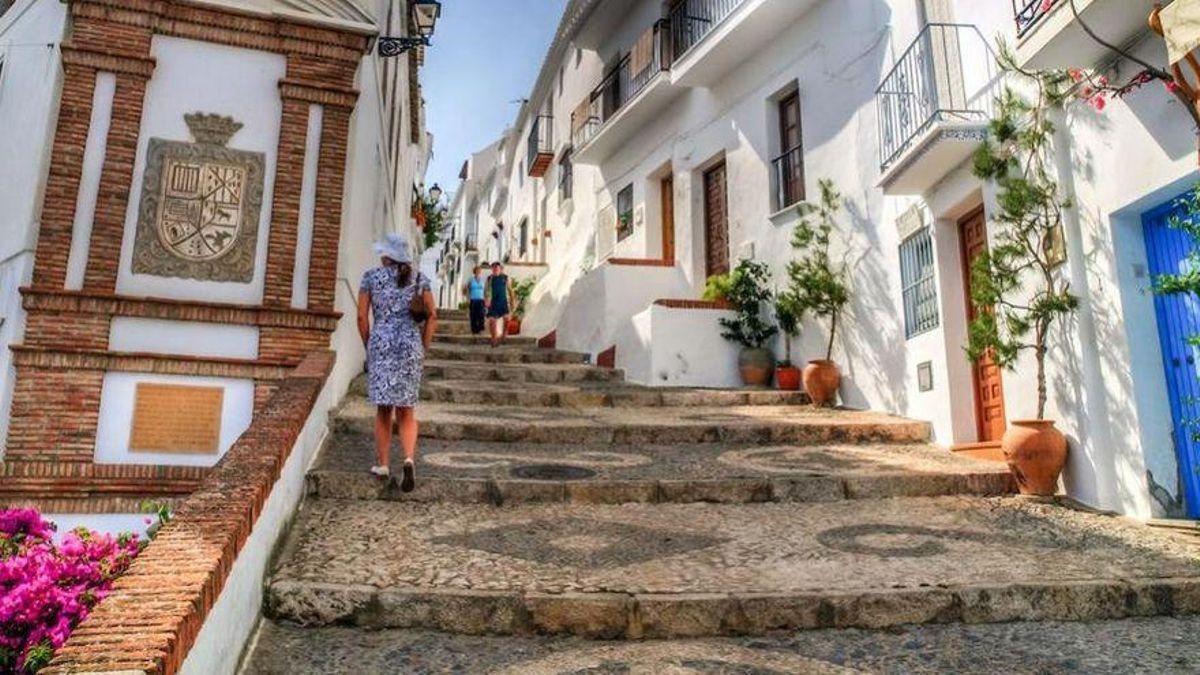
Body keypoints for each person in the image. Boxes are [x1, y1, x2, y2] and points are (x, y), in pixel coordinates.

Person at [357, 234, 437, 491]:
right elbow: (432, 316)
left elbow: (361, 317)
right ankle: (409, 458)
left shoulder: (370, 277)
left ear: (386, 255)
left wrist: (369, 344)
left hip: (382, 345)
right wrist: (423, 346)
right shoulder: (420, 279)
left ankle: (382, 464)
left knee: (384, 410)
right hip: (410, 346)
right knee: (407, 410)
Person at [484, 261, 515, 348]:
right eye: (493, 268)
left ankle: (504, 335)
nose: (495, 270)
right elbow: (486, 291)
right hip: (493, 303)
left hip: (504, 302)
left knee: (506, 320)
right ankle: (494, 340)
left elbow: (511, 291)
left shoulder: (505, 278)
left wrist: (512, 303)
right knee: (492, 321)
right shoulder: (489, 279)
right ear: (492, 269)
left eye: (496, 268)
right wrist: (486, 300)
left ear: (500, 269)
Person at [465, 266, 486, 335]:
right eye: (477, 270)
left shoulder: (483, 280)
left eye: (479, 271)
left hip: (481, 299)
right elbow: (466, 289)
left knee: (481, 315)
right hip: (473, 299)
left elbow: (485, 290)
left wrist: (486, 299)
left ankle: (480, 329)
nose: (478, 272)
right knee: (473, 315)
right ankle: (474, 330)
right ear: (474, 272)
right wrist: (467, 298)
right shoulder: (471, 280)